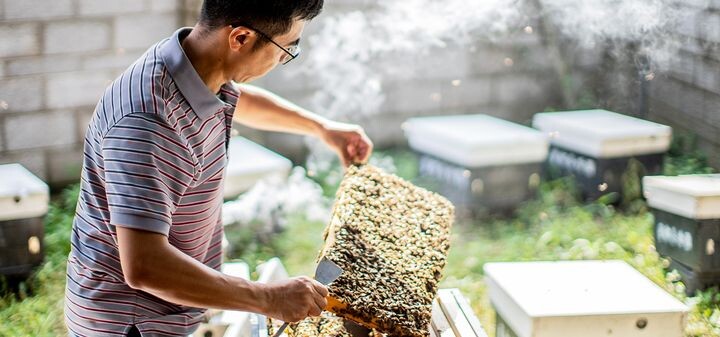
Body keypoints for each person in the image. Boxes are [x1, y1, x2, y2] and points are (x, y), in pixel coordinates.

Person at [63, 1, 373, 336]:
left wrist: (321, 128)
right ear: (240, 38)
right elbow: (145, 267)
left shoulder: (192, 63)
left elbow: (239, 98)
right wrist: (268, 298)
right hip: (135, 321)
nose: (283, 59)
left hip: (173, 308)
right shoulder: (147, 121)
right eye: (287, 48)